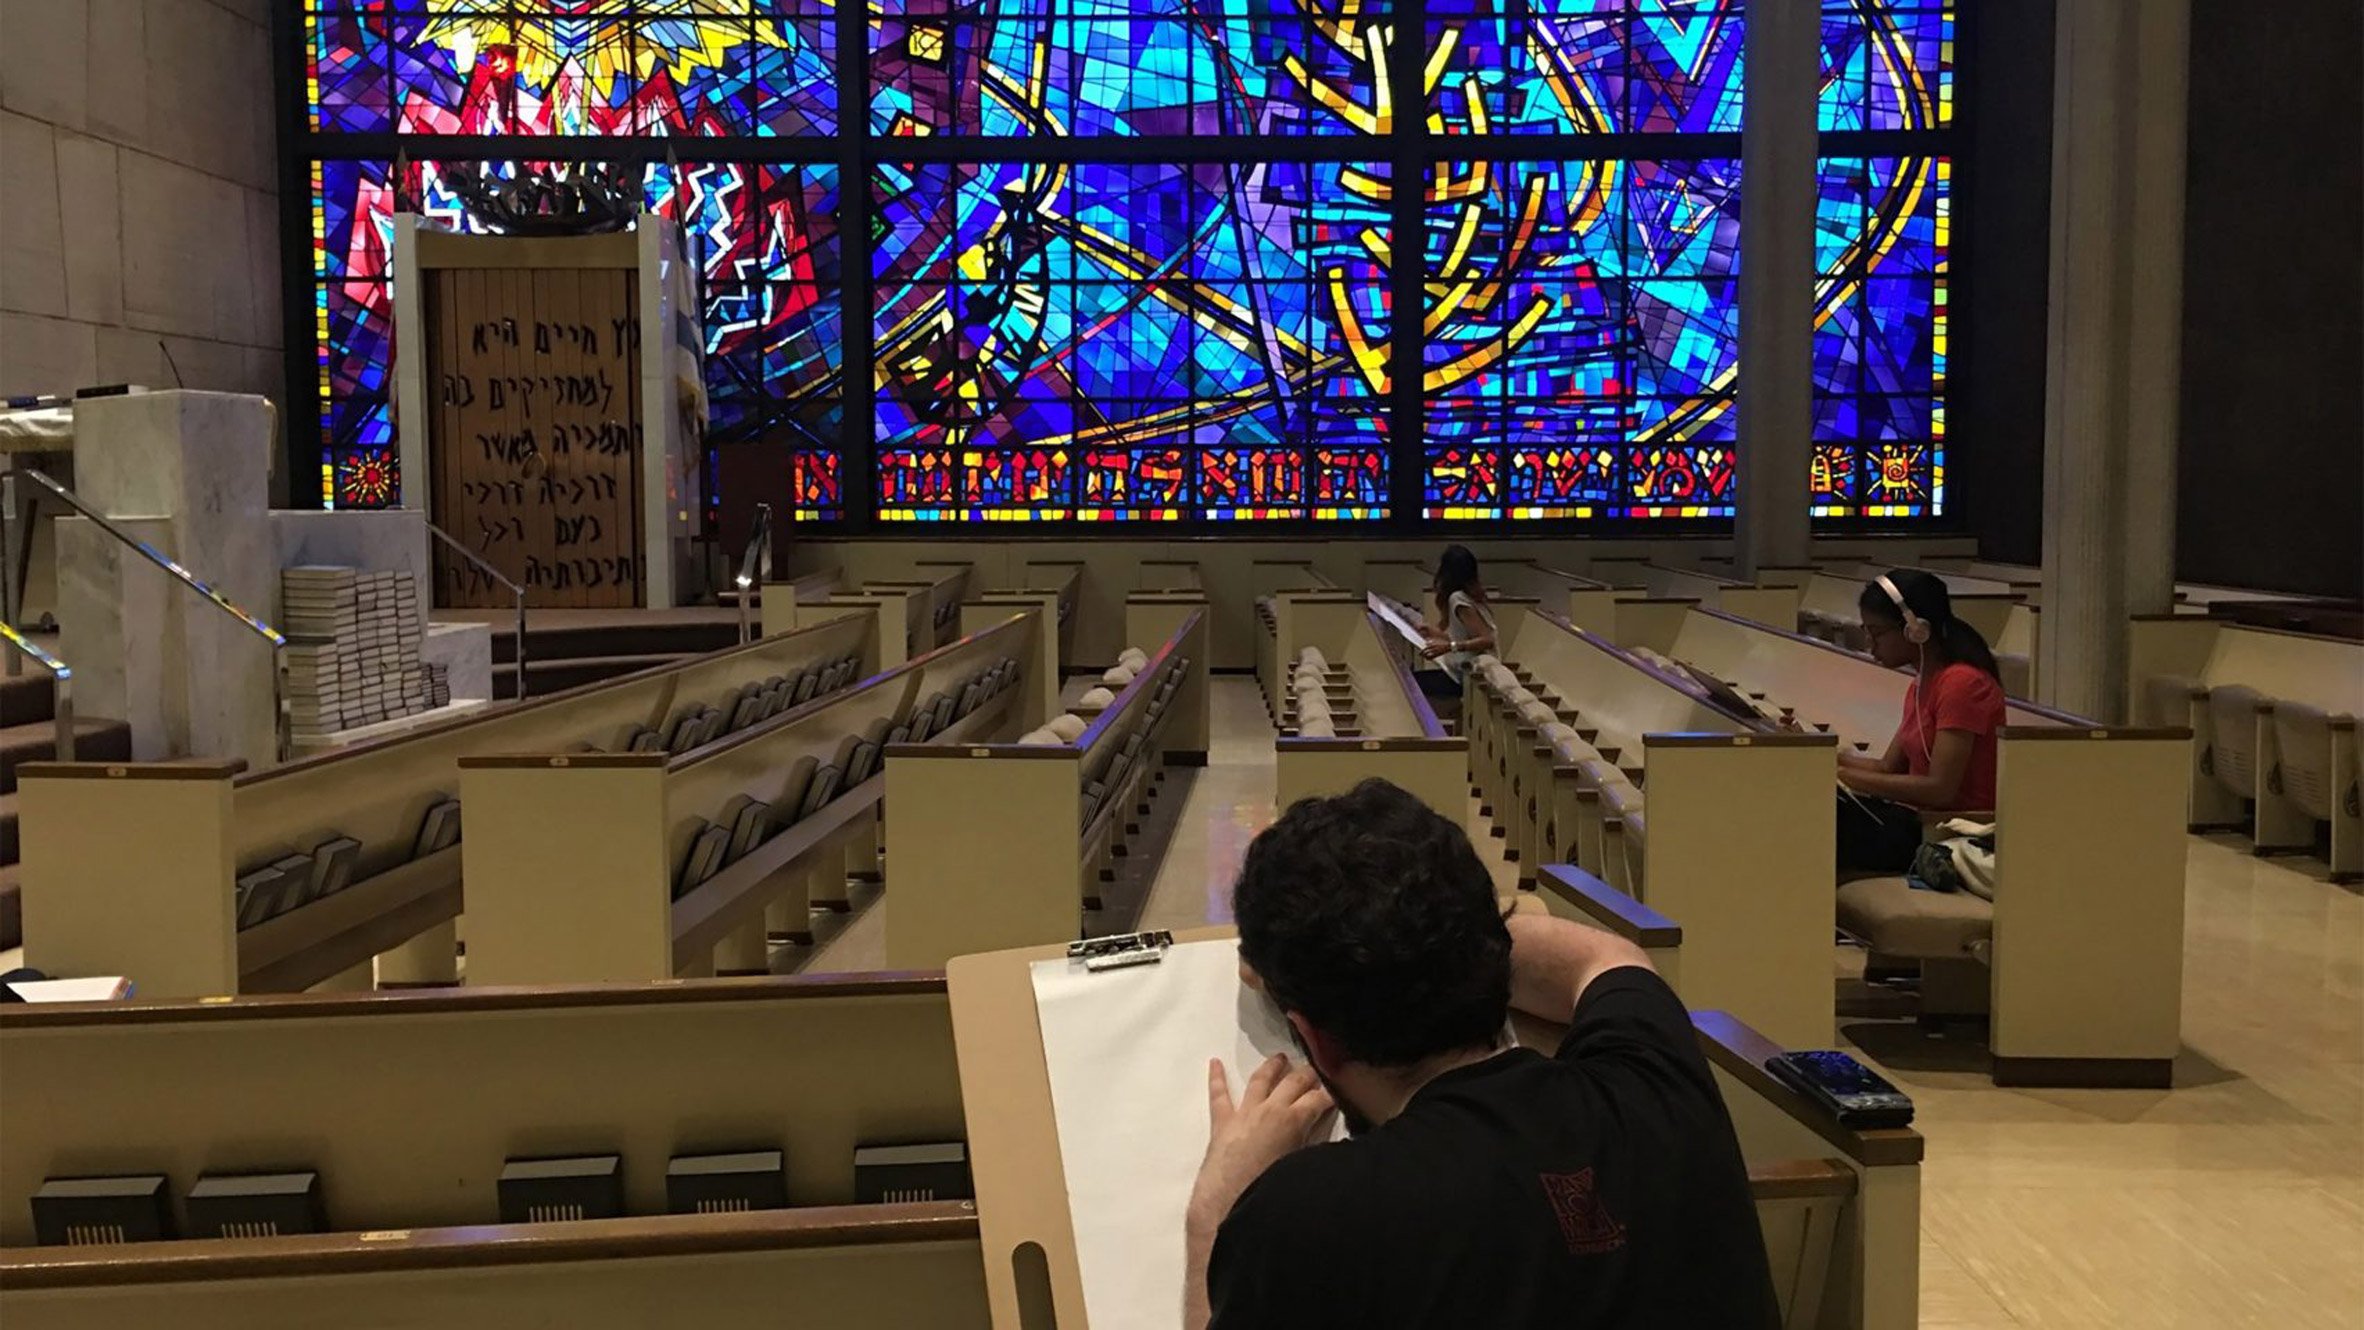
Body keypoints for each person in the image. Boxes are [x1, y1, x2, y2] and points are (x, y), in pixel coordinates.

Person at [1184, 779, 1779, 1330]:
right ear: (1487, 945)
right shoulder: (1654, 1079)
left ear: (1315, 1040)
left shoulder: (1306, 1217)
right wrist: (1442, 933)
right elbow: (1603, 958)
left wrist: (1216, 1210)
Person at [1832, 569, 2008, 874]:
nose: (1870, 644)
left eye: (1876, 632)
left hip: (1944, 831)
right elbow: (1888, 767)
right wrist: (1823, 760)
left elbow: (1940, 789)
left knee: (1821, 817)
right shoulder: (1921, 683)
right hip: (1913, 821)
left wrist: (1844, 776)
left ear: (1916, 629)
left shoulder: (1962, 684)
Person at [1412, 545, 1499, 722]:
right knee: (1411, 679)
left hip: (1470, 677)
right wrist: (1433, 632)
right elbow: (1464, 637)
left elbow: (1486, 640)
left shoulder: (1458, 599)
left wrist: (1449, 646)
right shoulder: (1463, 596)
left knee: (1410, 684)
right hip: (1463, 672)